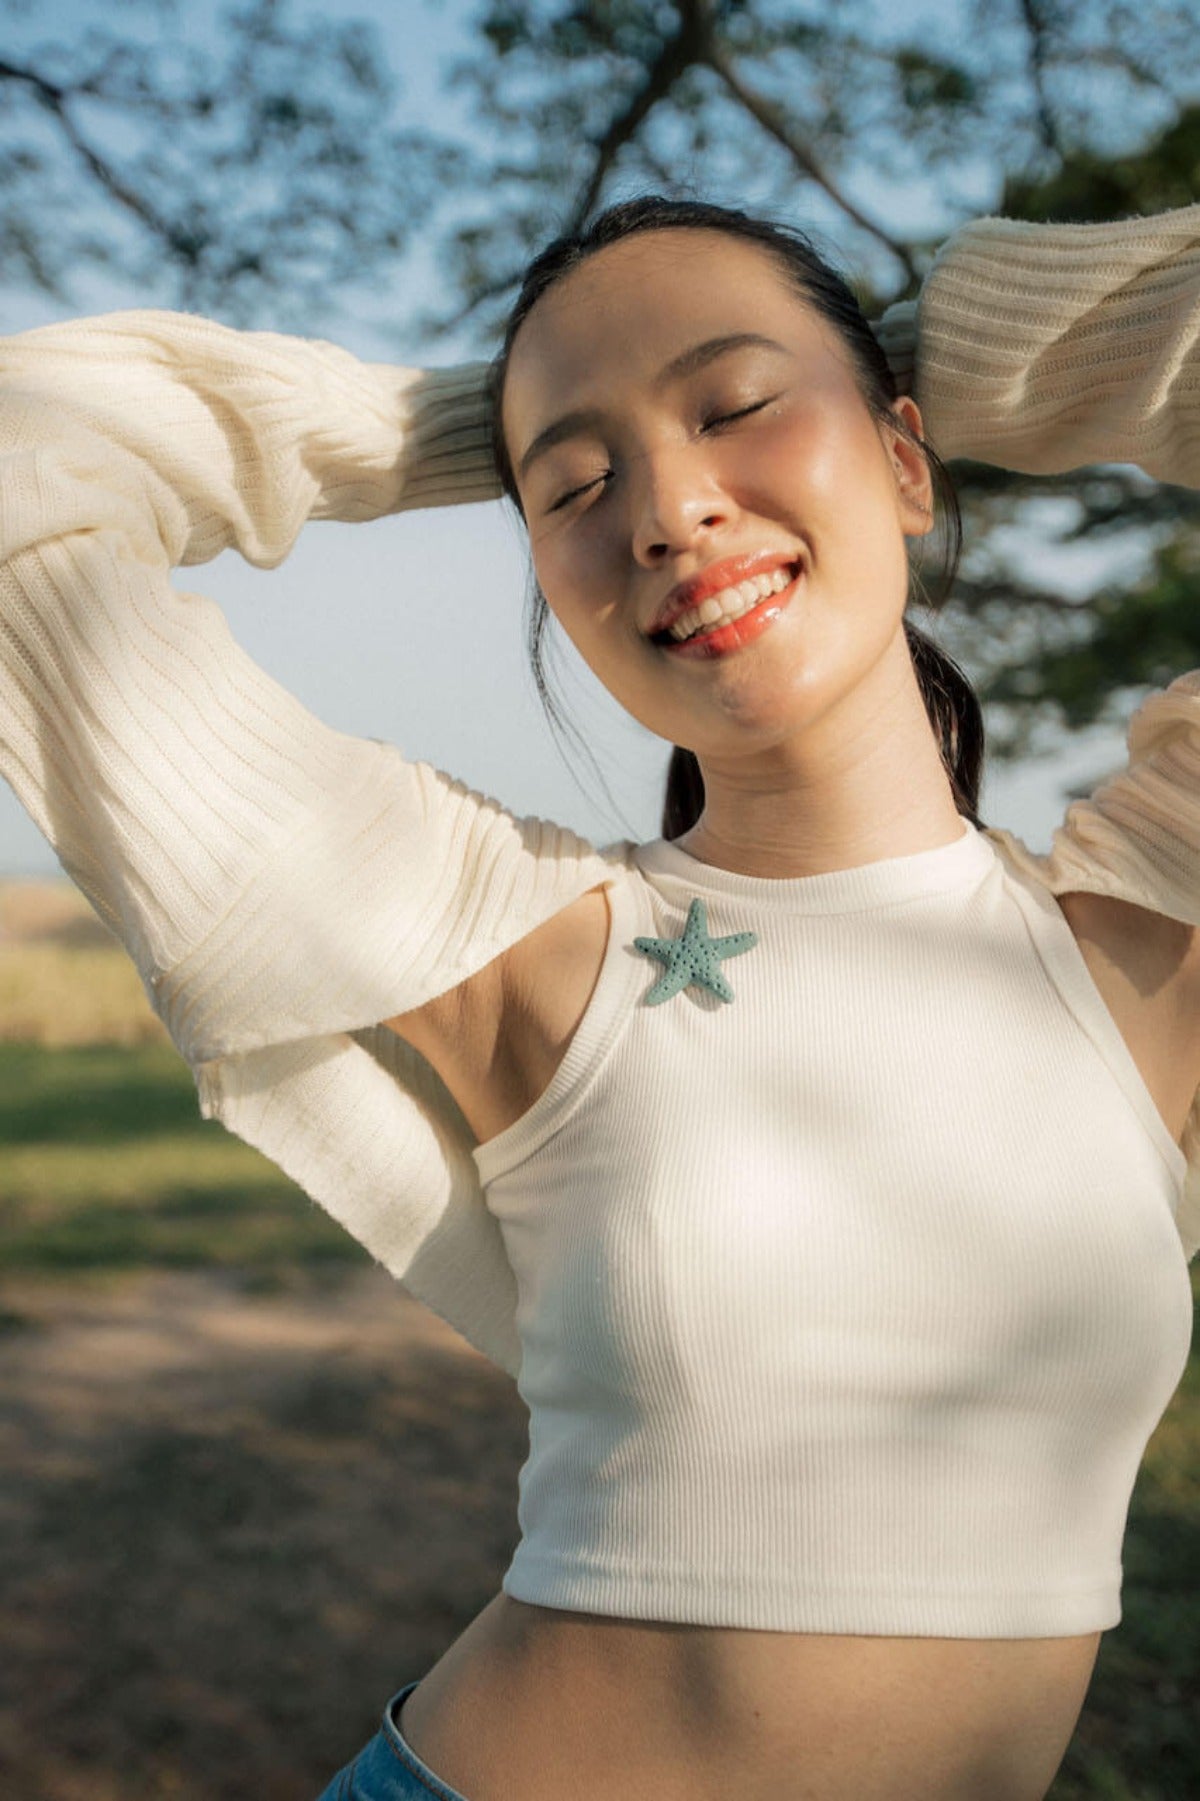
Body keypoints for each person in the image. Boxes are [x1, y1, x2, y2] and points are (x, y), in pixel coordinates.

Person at [1, 193, 1197, 1801]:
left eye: (735, 405)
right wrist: (428, 425)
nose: (668, 507)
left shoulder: (1138, 956)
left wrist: (950, 353)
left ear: (907, 462)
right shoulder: (516, 939)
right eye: (573, 485)